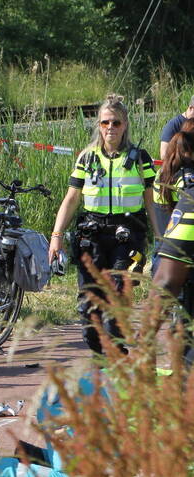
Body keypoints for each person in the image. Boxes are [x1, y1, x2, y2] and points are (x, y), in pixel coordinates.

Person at [47, 95, 159, 355]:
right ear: (98, 125)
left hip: (128, 236)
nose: (111, 128)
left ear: (125, 124)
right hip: (92, 235)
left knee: (117, 300)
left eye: (116, 123)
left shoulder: (141, 158)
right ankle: (102, 357)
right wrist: (56, 235)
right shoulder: (87, 158)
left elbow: (152, 204)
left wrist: (162, 240)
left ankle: (118, 359)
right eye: (105, 122)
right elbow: (71, 198)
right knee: (89, 308)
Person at [150, 130, 194, 356]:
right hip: (178, 253)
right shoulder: (187, 186)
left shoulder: (164, 174)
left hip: (165, 250)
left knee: (178, 324)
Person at [158, 95, 194, 161]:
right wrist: (188, 157)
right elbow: (163, 155)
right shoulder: (173, 125)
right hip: (180, 169)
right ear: (191, 108)